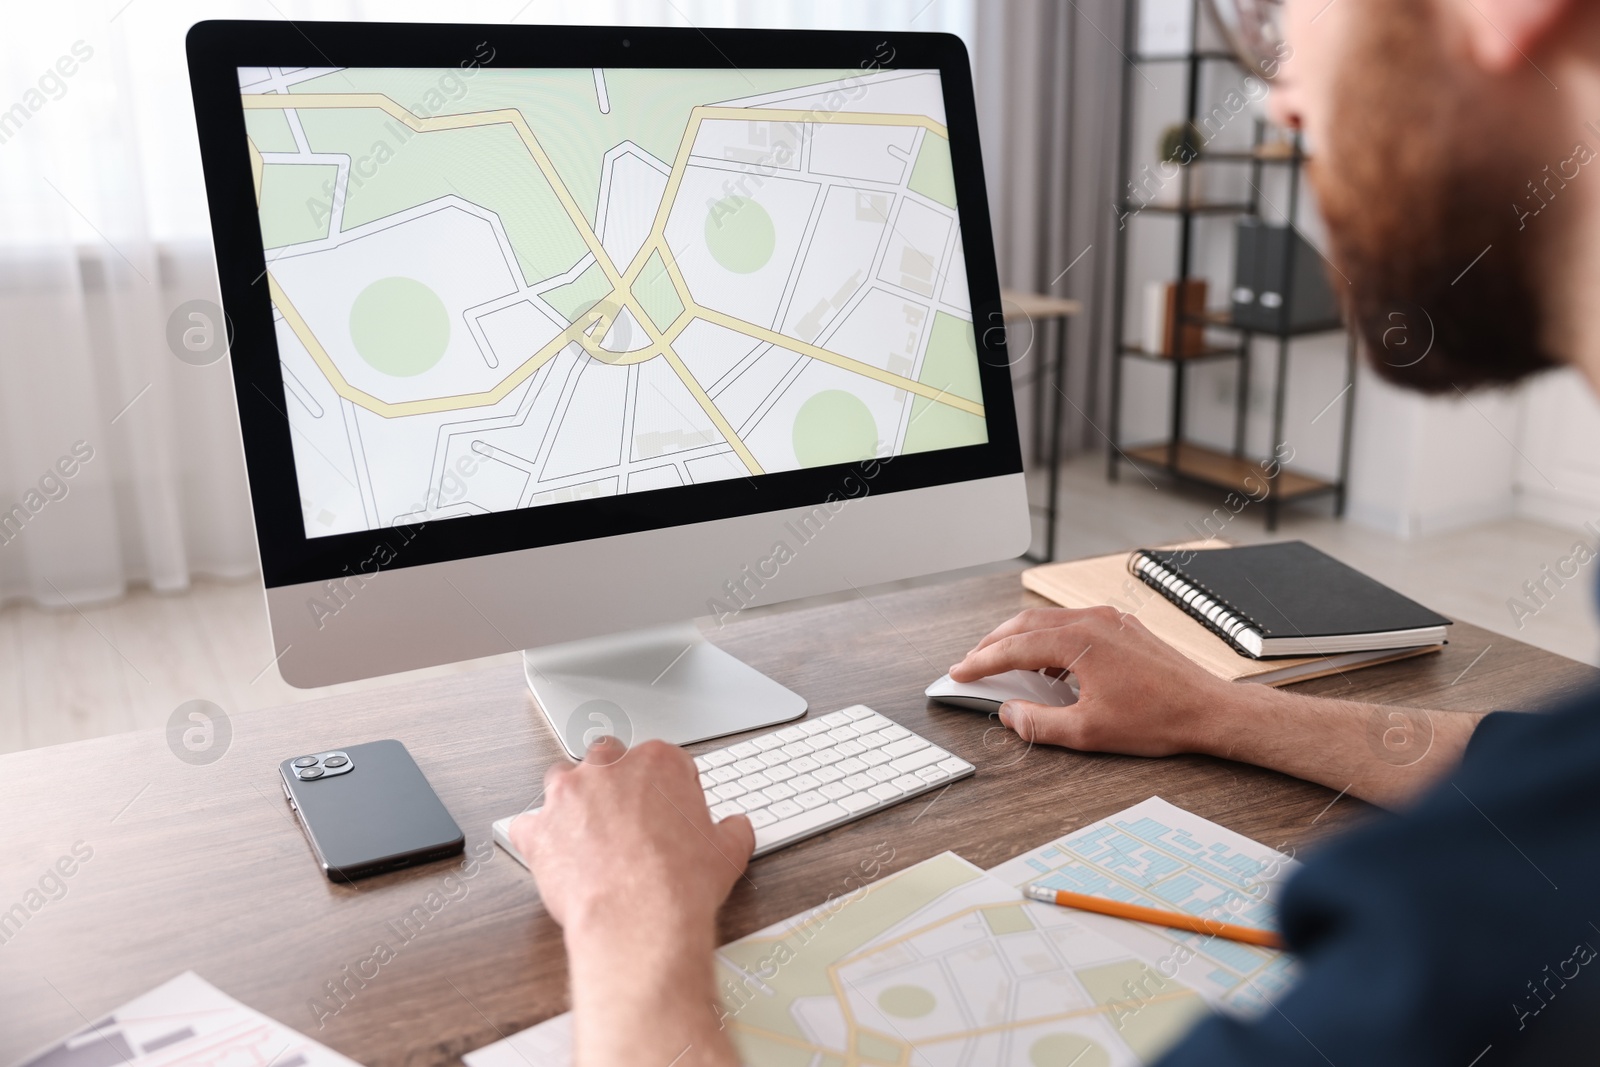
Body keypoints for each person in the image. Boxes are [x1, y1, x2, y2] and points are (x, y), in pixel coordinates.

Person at [511, 0, 1600, 1061]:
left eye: (1279, 12)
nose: (1278, 102)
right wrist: (1222, 715)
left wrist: (627, 923)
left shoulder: (1484, 947)